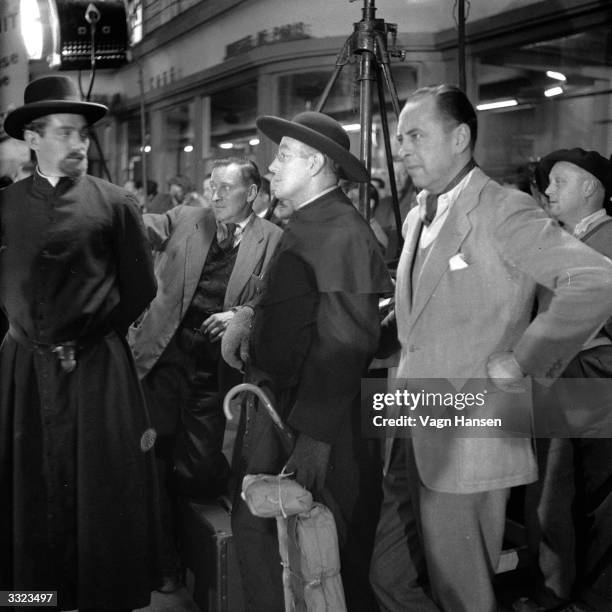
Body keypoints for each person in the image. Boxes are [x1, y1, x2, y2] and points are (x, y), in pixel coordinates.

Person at [368, 85, 612, 612]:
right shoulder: (417, 216)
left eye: (415, 135)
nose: (402, 148)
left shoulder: (503, 209)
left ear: (460, 138)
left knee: (463, 592)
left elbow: (595, 281)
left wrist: (524, 361)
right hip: (413, 419)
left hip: (470, 430)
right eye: (400, 136)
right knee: (388, 575)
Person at [0, 75, 160, 611]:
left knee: (102, 492)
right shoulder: (5, 207)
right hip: (23, 371)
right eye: (66, 133)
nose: (77, 144)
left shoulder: (115, 203)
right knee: (26, 491)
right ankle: (34, 600)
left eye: (83, 135)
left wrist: (91, 338)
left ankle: (99, 599)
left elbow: (141, 287)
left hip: (96, 371)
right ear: (32, 137)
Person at [222, 111, 393, 611]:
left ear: (316, 162)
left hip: (312, 423)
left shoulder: (341, 231)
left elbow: (346, 343)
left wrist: (314, 440)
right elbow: (293, 302)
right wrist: (250, 316)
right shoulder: (308, 221)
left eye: (284, 156)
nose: (271, 167)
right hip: (285, 410)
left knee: (315, 551)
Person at [129, 156, 282, 592]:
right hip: (160, 363)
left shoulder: (273, 241)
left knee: (197, 470)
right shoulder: (186, 219)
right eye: (211, 186)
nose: (214, 195)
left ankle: (190, 549)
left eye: (225, 188)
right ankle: (165, 565)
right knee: (152, 458)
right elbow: (141, 227)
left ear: (251, 193)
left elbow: (273, 299)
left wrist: (241, 313)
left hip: (212, 374)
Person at [519, 148, 612, 612]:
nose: (548, 189)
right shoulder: (562, 239)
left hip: (589, 379)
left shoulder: (608, 240)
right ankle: (563, 591)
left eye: (559, 181)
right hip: (567, 378)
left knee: (578, 497)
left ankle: (576, 597)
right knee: (560, 495)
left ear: (591, 187)